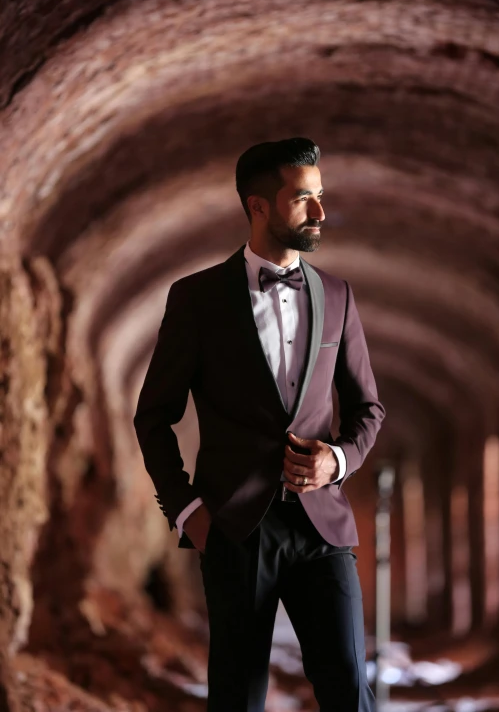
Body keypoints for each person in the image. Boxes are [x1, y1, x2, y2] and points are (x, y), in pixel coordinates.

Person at [133, 137, 386, 711]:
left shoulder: (339, 297)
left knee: (349, 686)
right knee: (239, 696)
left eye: (320, 197)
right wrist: (190, 512)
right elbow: (153, 417)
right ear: (258, 207)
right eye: (303, 199)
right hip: (236, 530)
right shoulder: (196, 300)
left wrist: (338, 460)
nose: (320, 212)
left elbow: (368, 408)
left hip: (323, 528)